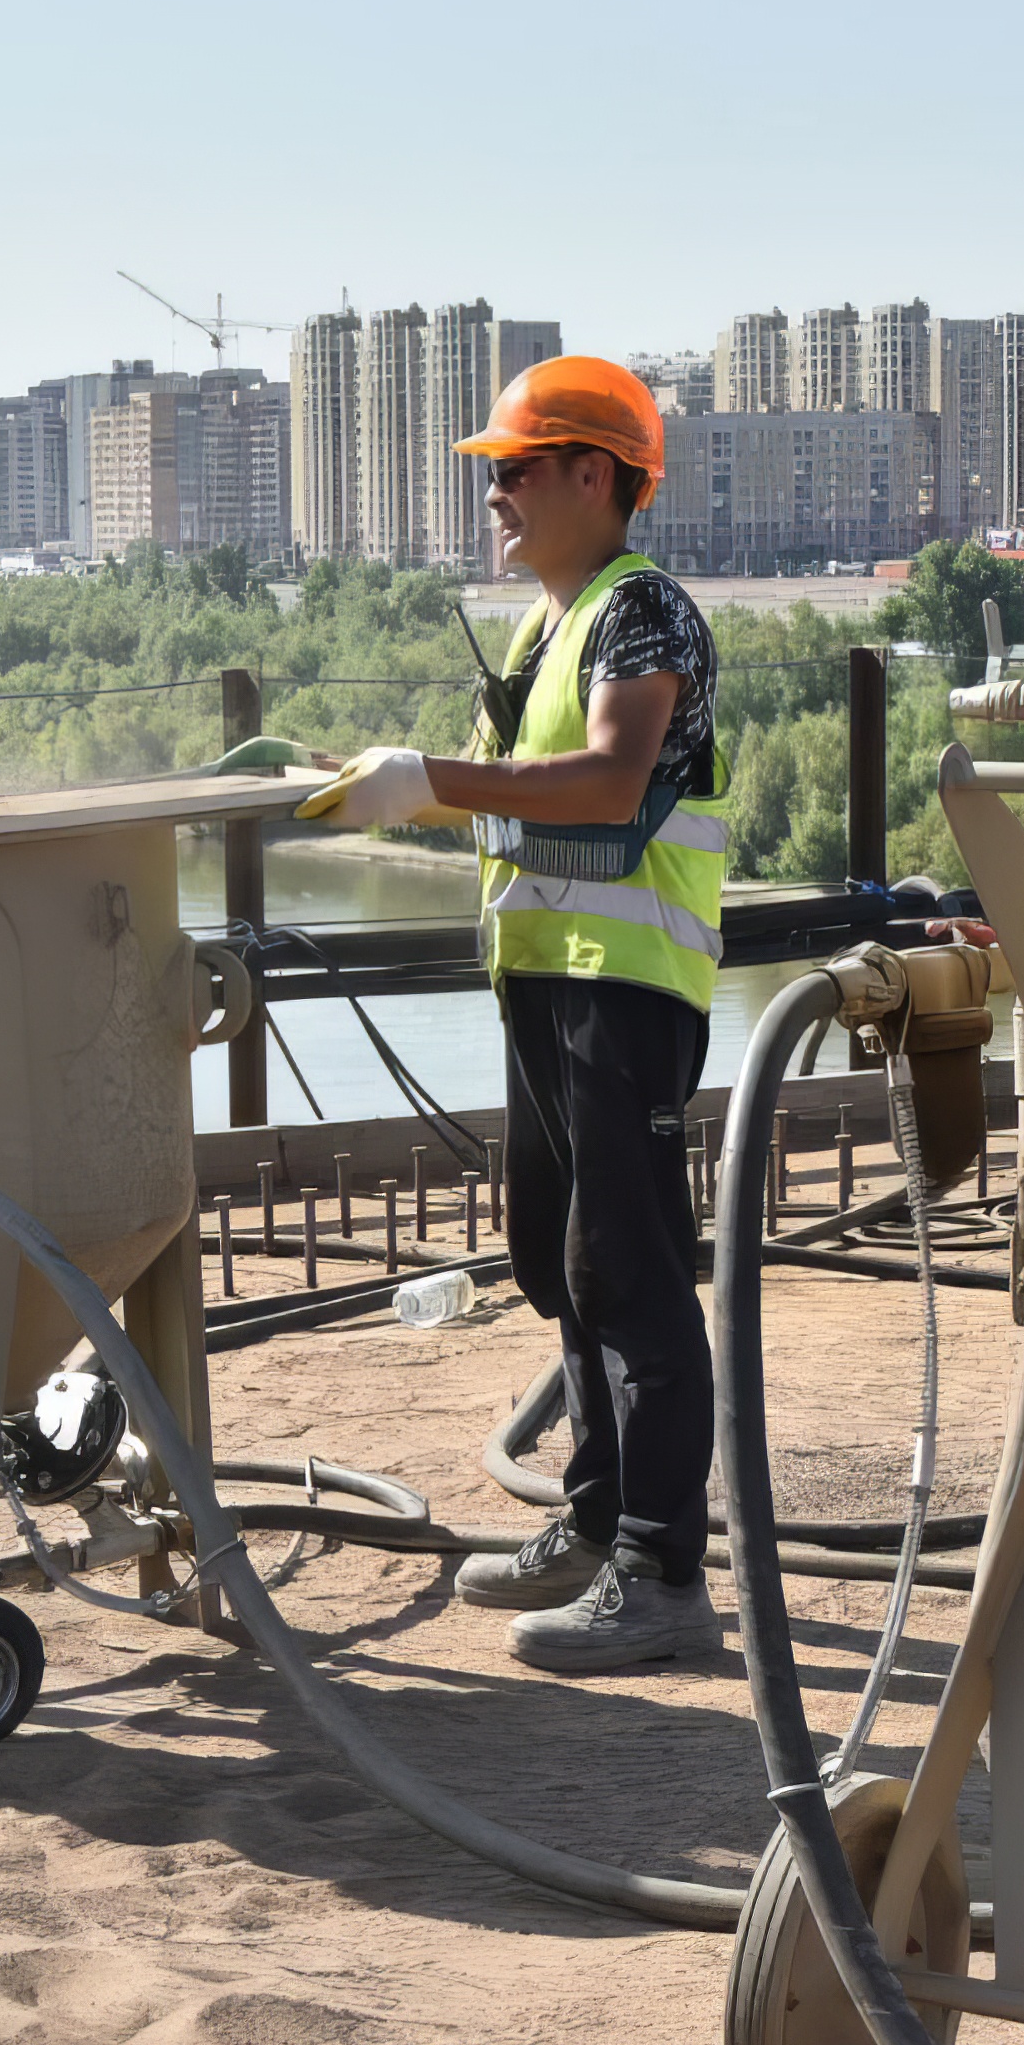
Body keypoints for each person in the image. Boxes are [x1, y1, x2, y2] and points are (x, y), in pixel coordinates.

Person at [295, 355, 727, 1673]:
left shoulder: (639, 612)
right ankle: (595, 1525)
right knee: (564, 1260)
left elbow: (607, 783)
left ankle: (661, 1572)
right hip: (547, 978)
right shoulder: (554, 626)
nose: (493, 495)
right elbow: (524, 796)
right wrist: (383, 783)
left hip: (624, 986)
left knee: (633, 1273)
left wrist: (428, 777)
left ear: (593, 475)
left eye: (514, 470)